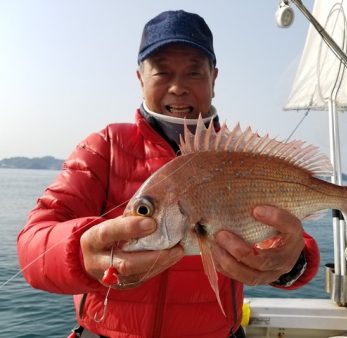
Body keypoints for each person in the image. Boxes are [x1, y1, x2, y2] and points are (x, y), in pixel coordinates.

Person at [17, 10, 320, 338]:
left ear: (213, 79)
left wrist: (291, 263)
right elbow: (33, 246)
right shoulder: (104, 147)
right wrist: (80, 252)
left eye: (194, 73)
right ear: (140, 78)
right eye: (162, 72)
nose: (178, 88)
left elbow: (294, 241)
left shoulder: (246, 157)